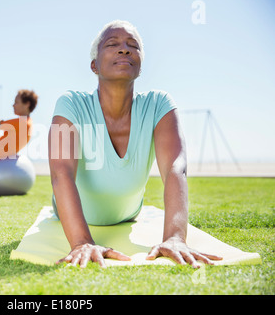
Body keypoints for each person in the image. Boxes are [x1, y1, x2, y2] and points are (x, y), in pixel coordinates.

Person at [48, 20, 222, 268]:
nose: (124, 49)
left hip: (129, 213)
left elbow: (176, 167)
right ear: (94, 65)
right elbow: (60, 171)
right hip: (77, 211)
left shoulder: (159, 104)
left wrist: (174, 237)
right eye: (113, 44)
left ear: (140, 67)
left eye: (133, 46)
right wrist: (81, 242)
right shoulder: (71, 104)